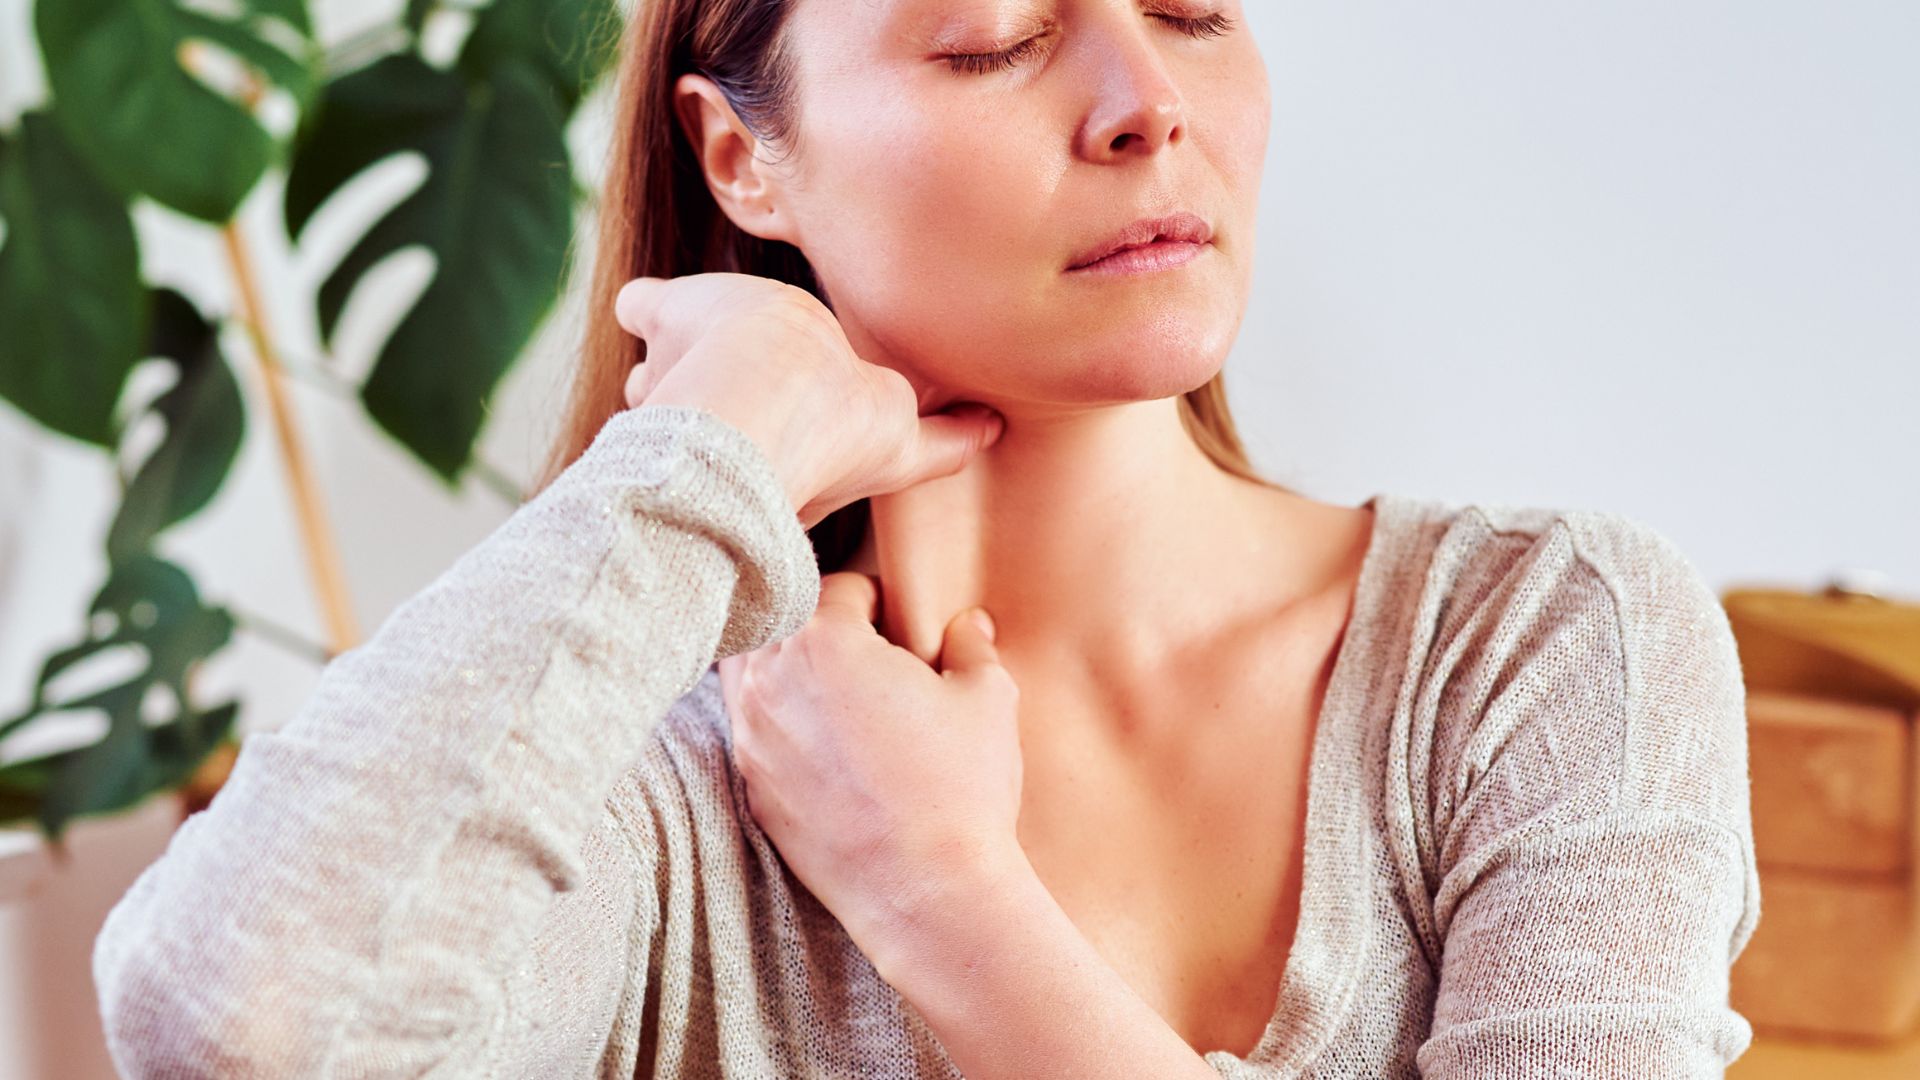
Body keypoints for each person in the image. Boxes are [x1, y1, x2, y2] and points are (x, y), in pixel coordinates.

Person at [93, 1, 1760, 1076]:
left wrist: (942, 893)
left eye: (1192, 11)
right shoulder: (657, 792)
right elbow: (240, 1017)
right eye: (990, 40)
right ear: (744, 159)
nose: (1145, 104)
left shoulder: (1540, 639)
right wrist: (705, 451)